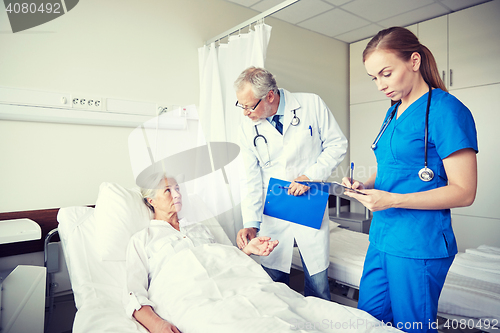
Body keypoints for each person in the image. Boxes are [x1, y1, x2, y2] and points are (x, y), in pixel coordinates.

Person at [342, 27, 478, 333]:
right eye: (374, 78)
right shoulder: (392, 112)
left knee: (411, 327)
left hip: (418, 243)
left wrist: (393, 199)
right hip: (381, 237)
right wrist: (365, 184)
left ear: (414, 61)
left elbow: (464, 191)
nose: (380, 85)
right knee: (370, 319)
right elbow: (391, 165)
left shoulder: (447, 111)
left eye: (386, 74)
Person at [234, 67, 347, 300]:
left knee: (318, 285)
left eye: (249, 106)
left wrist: (311, 174)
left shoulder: (312, 105)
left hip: (309, 203)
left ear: (270, 96)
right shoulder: (247, 126)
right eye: (241, 106)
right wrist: (251, 223)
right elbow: (251, 177)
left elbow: (337, 144)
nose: (245, 113)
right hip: (274, 212)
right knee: (272, 285)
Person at [125, 174, 279, 333]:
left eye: (177, 188)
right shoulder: (142, 239)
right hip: (191, 299)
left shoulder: (199, 228)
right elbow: (135, 293)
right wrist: (157, 325)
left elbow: (224, 261)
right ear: (151, 201)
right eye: (168, 191)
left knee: (277, 307)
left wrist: (247, 250)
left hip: (234, 288)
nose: (177, 194)